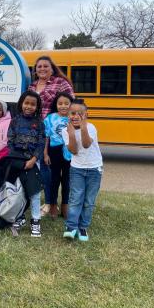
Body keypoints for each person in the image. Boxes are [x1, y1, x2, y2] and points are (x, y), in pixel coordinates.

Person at [62, 99, 103, 242]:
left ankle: (83, 226)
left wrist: (83, 126)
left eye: (80, 114)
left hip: (94, 169)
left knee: (88, 201)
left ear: (86, 115)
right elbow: (73, 150)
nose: (75, 116)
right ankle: (71, 227)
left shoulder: (91, 127)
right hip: (77, 169)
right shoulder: (65, 130)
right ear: (68, 114)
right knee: (75, 198)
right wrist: (72, 134)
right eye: (73, 113)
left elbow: (86, 144)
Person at [6, 90, 45, 237]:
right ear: (21, 103)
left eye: (33, 104)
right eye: (26, 103)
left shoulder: (39, 123)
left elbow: (41, 143)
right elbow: (10, 141)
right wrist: (16, 160)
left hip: (33, 162)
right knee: (19, 191)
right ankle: (20, 217)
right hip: (17, 162)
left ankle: (36, 221)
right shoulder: (15, 121)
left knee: (34, 193)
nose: (29, 106)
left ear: (37, 106)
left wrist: (34, 159)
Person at [43, 92, 74, 219]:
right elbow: (46, 137)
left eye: (67, 103)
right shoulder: (49, 118)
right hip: (53, 152)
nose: (63, 106)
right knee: (54, 180)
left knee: (67, 181)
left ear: (71, 105)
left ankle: (65, 206)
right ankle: (53, 205)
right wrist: (45, 154)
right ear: (56, 105)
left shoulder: (74, 118)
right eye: (60, 103)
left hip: (70, 153)